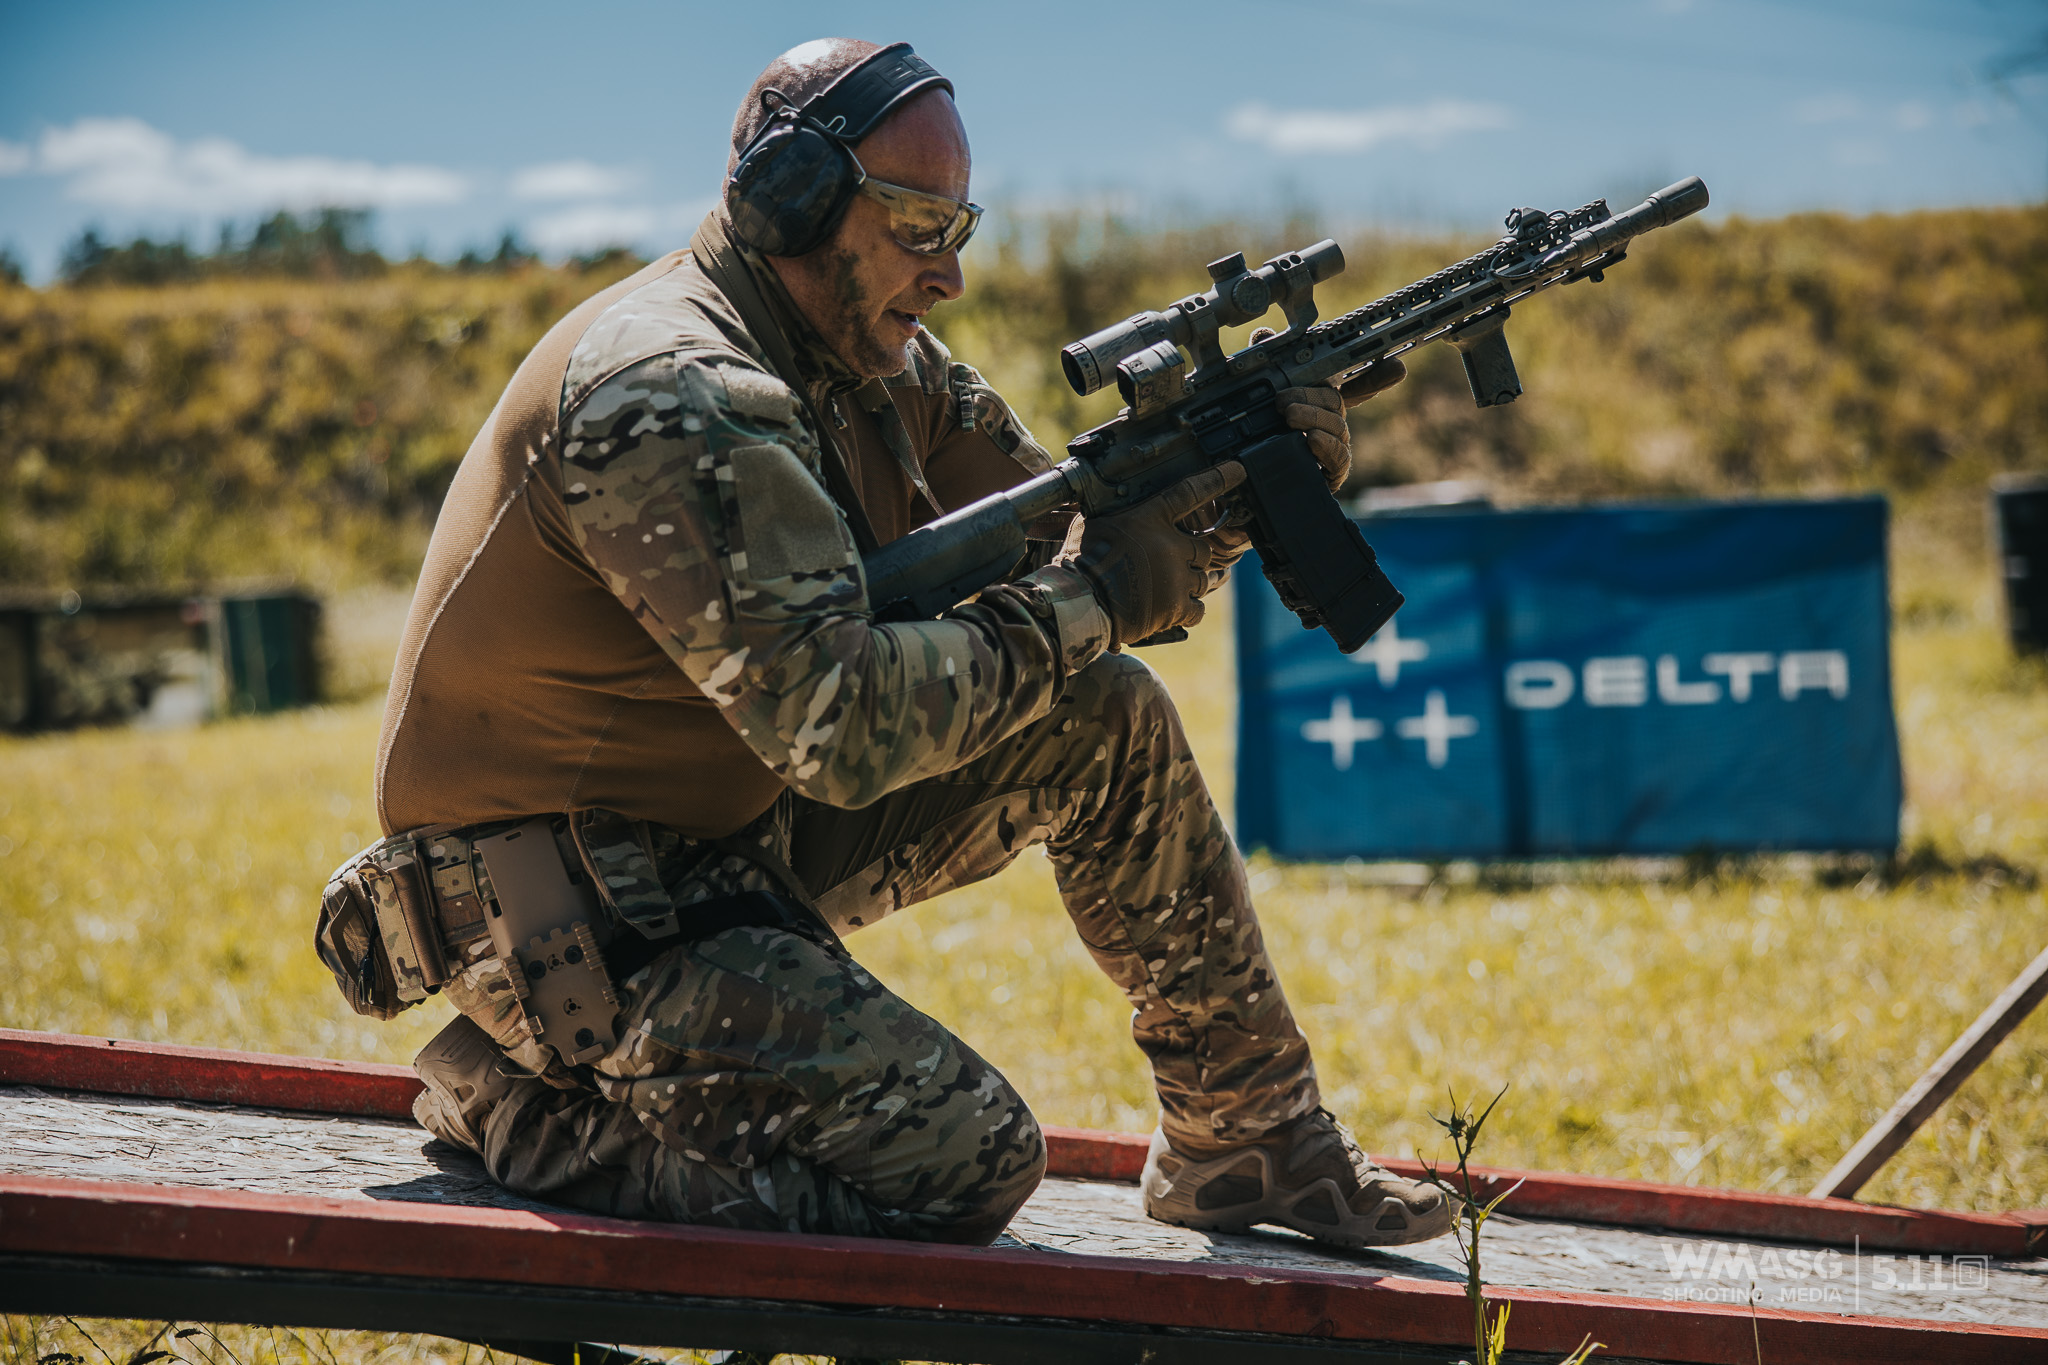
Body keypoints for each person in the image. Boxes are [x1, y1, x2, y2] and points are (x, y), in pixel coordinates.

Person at [350, 36, 1447, 1250]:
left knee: (1104, 716)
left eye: (959, 229)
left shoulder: (874, 366)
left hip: (713, 851)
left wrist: (1235, 492)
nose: (949, 277)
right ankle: (521, 1104)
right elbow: (843, 727)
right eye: (920, 227)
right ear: (791, 201)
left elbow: (1090, 547)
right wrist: (1097, 598)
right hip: (551, 915)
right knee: (962, 1165)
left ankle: (1250, 1143)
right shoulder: (670, 390)